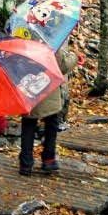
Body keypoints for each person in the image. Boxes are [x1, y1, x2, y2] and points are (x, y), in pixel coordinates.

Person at [19, 42, 80, 175]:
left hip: (28, 90)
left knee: (28, 126)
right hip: (48, 89)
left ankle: (26, 164)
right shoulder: (50, 42)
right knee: (51, 126)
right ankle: (48, 159)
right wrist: (75, 57)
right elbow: (62, 66)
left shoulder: (20, 42)